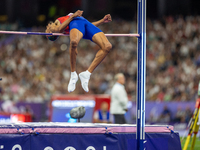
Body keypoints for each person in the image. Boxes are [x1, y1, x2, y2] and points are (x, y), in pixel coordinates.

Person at [45, 10, 112, 93]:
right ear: (53, 33)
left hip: (84, 23)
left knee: (107, 47)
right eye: (48, 29)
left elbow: (89, 26)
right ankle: (73, 74)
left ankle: (87, 74)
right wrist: (73, 16)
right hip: (76, 22)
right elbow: (59, 29)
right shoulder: (60, 25)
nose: (48, 26)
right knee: (74, 42)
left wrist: (102, 21)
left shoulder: (64, 25)